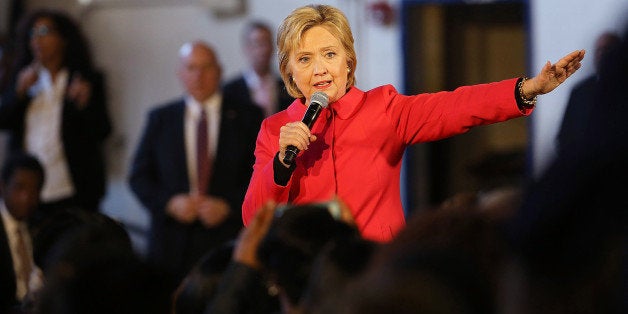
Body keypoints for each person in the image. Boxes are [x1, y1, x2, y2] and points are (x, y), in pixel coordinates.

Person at [241, 4, 585, 242]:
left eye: (330, 54)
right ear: (289, 72)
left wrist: (527, 88)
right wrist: (281, 164)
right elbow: (252, 218)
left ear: (349, 61)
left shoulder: (383, 109)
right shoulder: (275, 131)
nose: (320, 69)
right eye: (305, 59)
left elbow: (456, 106)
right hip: (311, 286)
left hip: (377, 277)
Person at [128, 41, 264, 286]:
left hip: (227, 241)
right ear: (180, 73)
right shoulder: (161, 118)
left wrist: (229, 206)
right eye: (191, 68)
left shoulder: (248, 117)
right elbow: (139, 177)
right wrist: (169, 203)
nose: (198, 76)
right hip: (170, 244)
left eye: (206, 68)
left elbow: (263, 177)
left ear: (219, 72)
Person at [0, 9, 112, 220]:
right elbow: (4, 121)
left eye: (44, 31)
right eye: (32, 34)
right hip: (28, 191)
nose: (37, 39)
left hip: (71, 189)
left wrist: (85, 104)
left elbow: (103, 131)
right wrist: (18, 94)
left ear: (64, 39)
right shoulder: (23, 77)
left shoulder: (85, 80)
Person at [556, 31, 620, 152]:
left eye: (606, 49)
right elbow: (564, 137)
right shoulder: (579, 92)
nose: (601, 55)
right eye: (598, 51)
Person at [0, 152, 44, 313]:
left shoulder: (42, 226)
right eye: (20, 188)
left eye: (34, 190)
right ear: (3, 186)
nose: (27, 198)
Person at [222, 20, 293, 118]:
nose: (264, 49)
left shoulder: (288, 87)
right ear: (246, 48)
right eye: (258, 43)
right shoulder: (230, 91)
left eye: (267, 42)